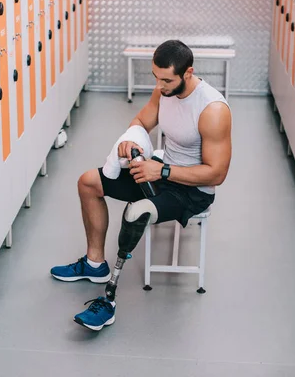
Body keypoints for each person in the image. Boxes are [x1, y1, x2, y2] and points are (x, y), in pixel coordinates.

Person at [50, 39, 232, 331]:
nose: (160, 86)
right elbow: (142, 120)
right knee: (88, 182)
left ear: (188, 73)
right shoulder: (164, 90)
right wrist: (132, 139)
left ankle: (108, 299)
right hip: (159, 173)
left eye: (167, 80)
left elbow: (216, 174)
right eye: (156, 78)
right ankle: (95, 264)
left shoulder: (212, 109)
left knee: (135, 213)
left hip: (191, 192)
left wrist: (162, 171)